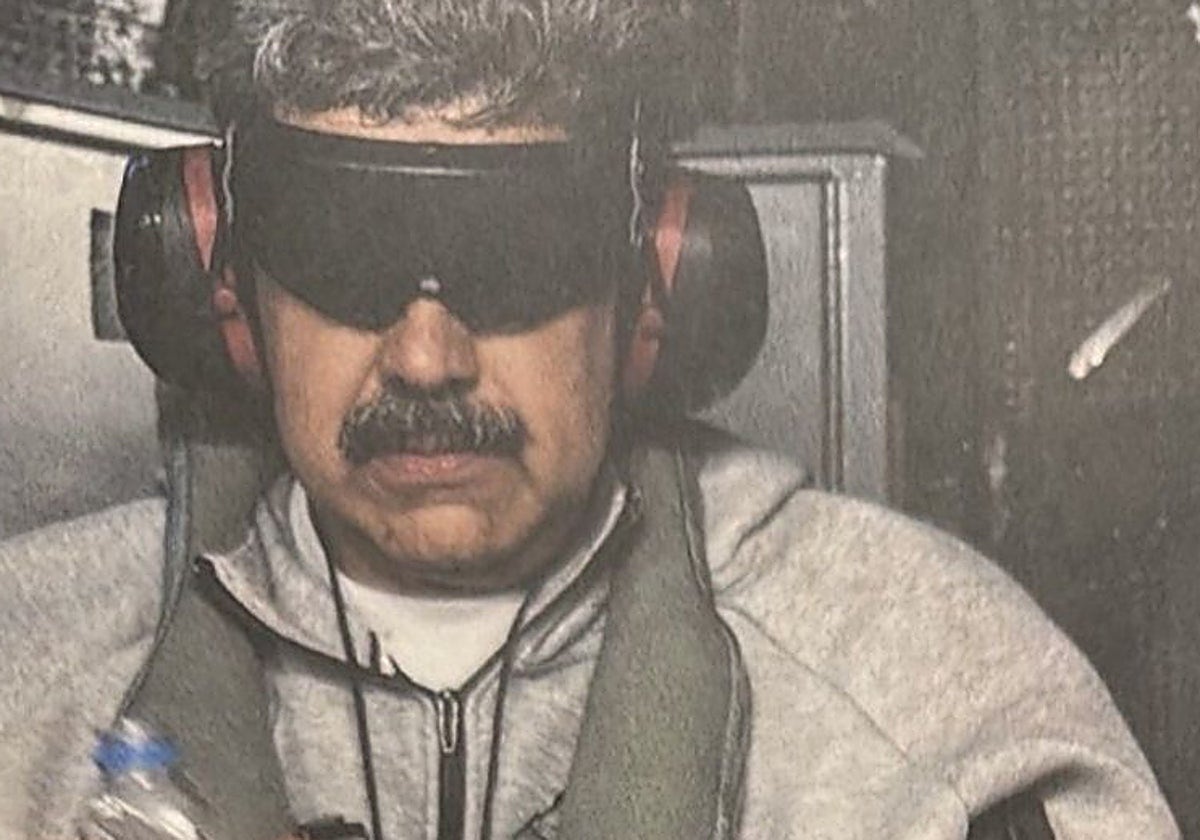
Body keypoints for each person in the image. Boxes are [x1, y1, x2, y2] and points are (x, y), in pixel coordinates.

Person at [0, 1, 1180, 838]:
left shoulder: (942, 702)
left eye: (513, 256)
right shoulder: (29, 676)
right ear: (218, 279)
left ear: (655, 285)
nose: (426, 359)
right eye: (340, 252)